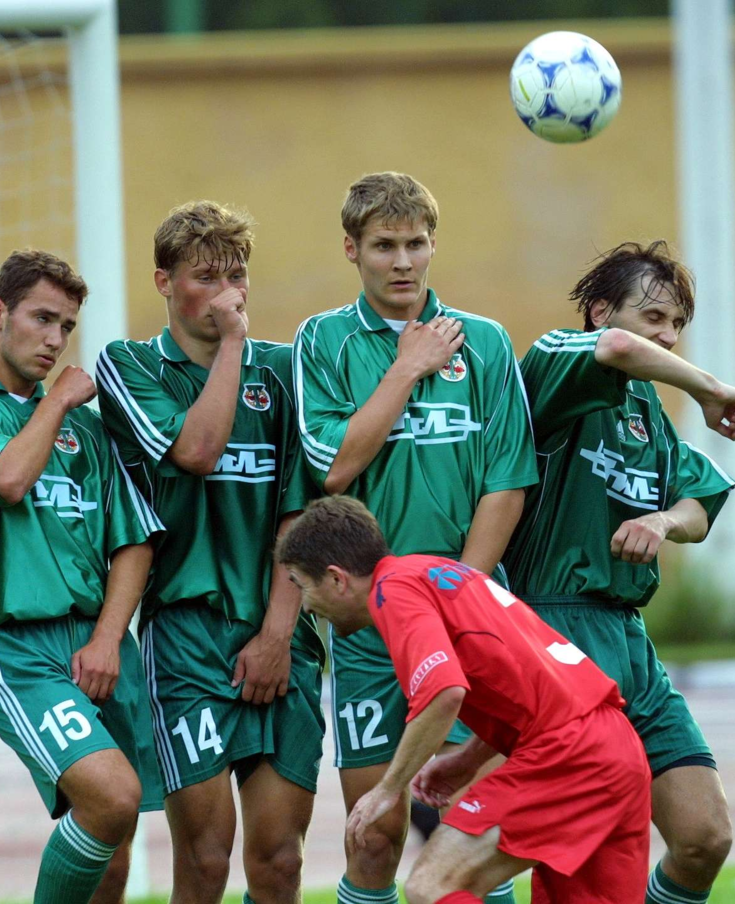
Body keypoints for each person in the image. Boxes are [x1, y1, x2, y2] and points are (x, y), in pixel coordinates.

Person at [291, 172, 536, 904]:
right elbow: (335, 466)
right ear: (351, 249)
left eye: (416, 244)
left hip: (470, 616)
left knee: (476, 831)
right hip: (369, 624)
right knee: (375, 831)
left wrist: (459, 595)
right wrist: (407, 366)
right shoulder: (324, 341)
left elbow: (507, 480)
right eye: (384, 246)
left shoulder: (486, 344)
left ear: (434, 245)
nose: (403, 261)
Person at [503, 240, 735, 904]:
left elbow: (701, 500)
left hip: (628, 641)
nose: (668, 336)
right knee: (562, 852)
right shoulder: (556, 360)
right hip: (552, 629)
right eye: (654, 318)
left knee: (704, 836)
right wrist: (710, 387)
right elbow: (615, 351)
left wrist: (664, 523)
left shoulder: (647, 414)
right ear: (599, 311)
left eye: (677, 324)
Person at [0, 249, 164, 904]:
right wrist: (54, 403)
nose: (54, 340)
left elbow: (133, 540)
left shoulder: (86, 426)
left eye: (66, 327)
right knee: (111, 798)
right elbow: (9, 479)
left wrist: (110, 638)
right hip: (18, 647)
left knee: (116, 848)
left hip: (100, 643)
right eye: (42, 319)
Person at [95, 201, 324, 904]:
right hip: (186, 636)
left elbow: (302, 514)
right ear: (164, 281)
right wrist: (231, 347)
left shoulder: (286, 371)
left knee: (281, 860)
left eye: (238, 275)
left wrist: (278, 637)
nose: (228, 294)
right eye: (206, 277)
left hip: (281, 628)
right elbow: (197, 452)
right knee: (205, 856)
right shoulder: (128, 367)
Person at [278, 496, 652, 904]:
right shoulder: (437, 573)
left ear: (336, 579)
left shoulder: (393, 591)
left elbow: (443, 691)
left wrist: (388, 788)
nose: (306, 605)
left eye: (301, 585)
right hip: (616, 747)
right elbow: (527, 689)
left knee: (433, 887)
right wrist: (468, 760)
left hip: (566, 756)